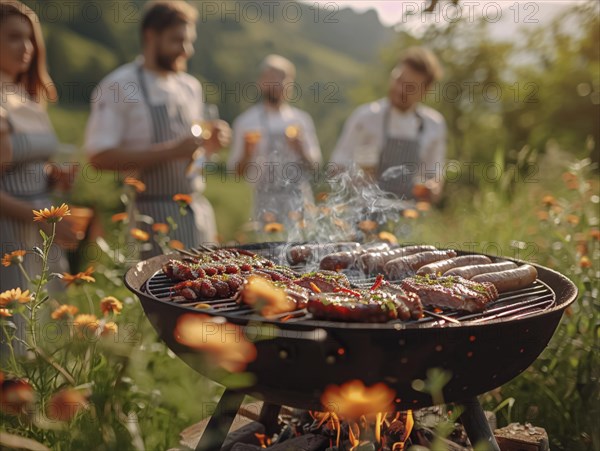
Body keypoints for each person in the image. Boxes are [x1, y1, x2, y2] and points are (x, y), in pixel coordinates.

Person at [85, 0, 229, 255]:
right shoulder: (120, 86)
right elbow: (98, 157)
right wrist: (171, 151)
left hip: (196, 214)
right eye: (177, 40)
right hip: (149, 220)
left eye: (189, 41)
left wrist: (209, 148)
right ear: (150, 35)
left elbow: (194, 162)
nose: (187, 50)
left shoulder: (189, 87)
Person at [0, 0, 75, 353]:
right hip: (7, 234)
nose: (26, 47)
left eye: (30, 39)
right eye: (14, 37)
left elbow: (26, 167)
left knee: (41, 330)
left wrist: (52, 176)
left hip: (41, 232)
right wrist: (41, 217)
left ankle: (37, 407)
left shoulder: (29, 99)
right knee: (11, 335)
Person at [330, 47, 446, 203]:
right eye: (398, 80)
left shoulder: (434, 124)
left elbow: (435, 176)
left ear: (425, 91)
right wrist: (358, 179)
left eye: (409, 87)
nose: (399, 89)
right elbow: (336, 168)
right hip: (364, 214)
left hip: (409, 217)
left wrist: (433, 188)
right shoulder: (365, 117)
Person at [227, 55, 322, 230]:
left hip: (298, 199)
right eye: (271, 78)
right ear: (261, 82)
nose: (277, 83)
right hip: (264, 200)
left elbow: (315, 167)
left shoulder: (301, 121)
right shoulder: (246, 122)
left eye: (282, 78)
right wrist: (247, 153)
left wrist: (300, 149)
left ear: (290, 85)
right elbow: (236, 172)